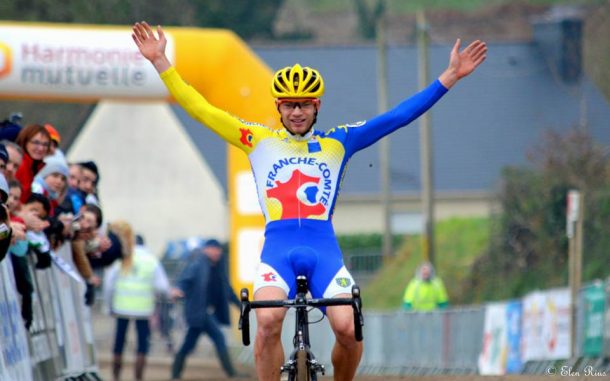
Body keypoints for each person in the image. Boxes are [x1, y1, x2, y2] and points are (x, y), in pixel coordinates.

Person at [132, 21, 486, 381]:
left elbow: (398, 116)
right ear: (279, 108)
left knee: (347, 330)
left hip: (324, 251)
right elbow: (201, 108)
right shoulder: (257, 141)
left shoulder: (340, 142)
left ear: (316, 106)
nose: (296, 112)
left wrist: (450, 76)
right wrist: (162, 62)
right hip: (278, 249)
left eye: (303, 105)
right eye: (289, 106)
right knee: (268, 320)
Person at [102, 221, 170, 381]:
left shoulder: (120, 258)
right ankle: (139, 377)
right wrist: (165, 296)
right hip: (143, 309)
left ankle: (116, 376)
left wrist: (108, 305)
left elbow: (108, 285)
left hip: (121, 308)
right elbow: (162, 286)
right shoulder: (151, 260)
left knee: (119, 341)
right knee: (142, 343)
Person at [170, 239, 243, 380]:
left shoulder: (219, 267)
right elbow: (185, 280)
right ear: (206, 250)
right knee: (219, 338)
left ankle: (175, 373)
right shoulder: (197, 264)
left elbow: (227, 290)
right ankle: (231, 373)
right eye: (214, 249)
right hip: (199, 312)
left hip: (207, 313)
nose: (217, 252)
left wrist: (241, 306)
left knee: (188, 344)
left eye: (218, 249)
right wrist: (178, 290)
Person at [15, 124, 51, 202]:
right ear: (25, 142)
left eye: (45, 144)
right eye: (36, 142)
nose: (41, 148)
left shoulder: (31, 167)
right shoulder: (21, 165)